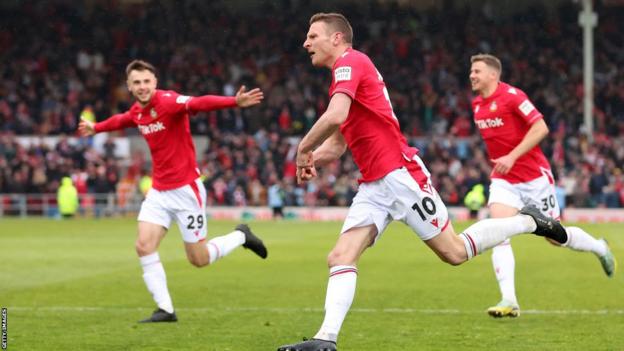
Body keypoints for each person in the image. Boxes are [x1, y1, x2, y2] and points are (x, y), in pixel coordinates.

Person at [278, 13, 572, 351]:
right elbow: (340, 142)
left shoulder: (351, 62)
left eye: (313, 36)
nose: (306, 43)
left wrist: (302, 149)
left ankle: (529, 221)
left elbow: (336, 116)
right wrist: (313, 159)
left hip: (400, 176)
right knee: (341, 254)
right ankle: (325, 339)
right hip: (374, 185)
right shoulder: (343, 75)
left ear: (337, 39)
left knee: (455, 252)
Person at [78, 59, 268, 323]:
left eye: (147, 81)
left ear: (155, 82)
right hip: (158, 192)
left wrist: (233, 102)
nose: (142, 87)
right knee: (144, 245)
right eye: (137, 83)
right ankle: (165, 309)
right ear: (129, 87)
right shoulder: (137, 111)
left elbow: (198, 103)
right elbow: (122, 120)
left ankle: (240, 236)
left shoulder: (168, 102)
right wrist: (96, 127)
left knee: (198, 259)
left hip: (186, 191)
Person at [468, 54, 616, 318]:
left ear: (493, 74)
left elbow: (541, 127)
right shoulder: (477, 105)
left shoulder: (513, 96)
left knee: (554, 238)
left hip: (535, 179)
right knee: (499, 233)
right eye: (471, 71)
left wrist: (512, 156)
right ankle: (509, 300)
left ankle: (599, 247)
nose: (472, 75)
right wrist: (504, 161)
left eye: (477, 71)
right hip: (505, 181)